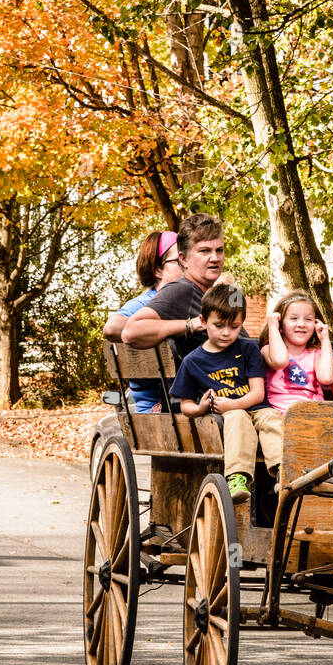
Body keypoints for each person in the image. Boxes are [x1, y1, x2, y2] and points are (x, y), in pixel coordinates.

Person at [170, 283, 282, 503]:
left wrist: (232, 403)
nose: (226, 332)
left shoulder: (248, 349)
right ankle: (237, 477)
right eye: (219, 325)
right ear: (203, 321)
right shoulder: (193, 361)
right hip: (225, 419)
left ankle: (284, 470)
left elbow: (258, 393)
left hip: (256, 408)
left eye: (234, 326)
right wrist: (201, 408)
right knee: (238, 417)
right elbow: (185, 405)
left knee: (272, 417)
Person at [123, 213, 225, 360]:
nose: (215, 258)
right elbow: (131, 331)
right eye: (204, 251)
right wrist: (190, 325)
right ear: (183, 259)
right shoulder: (183, 290)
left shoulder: (206, 294)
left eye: (219, 250)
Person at [103, 231, 181, 412]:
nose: (187, 265)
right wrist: (173, 326)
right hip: (161, 412)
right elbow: (111, 328)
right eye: (179, 261)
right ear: (157, 269)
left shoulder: (189, 302)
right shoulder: (146, 303)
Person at [260, 291, 333, 414]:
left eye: (308, 319)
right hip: (279, 414)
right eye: (294, 318)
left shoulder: (316, 354)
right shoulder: (268, 350)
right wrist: (273, 327)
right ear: (280, 324)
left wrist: (325, 340)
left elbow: (327, 378)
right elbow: (279, 361)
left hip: (312, 414)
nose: (301, 324)